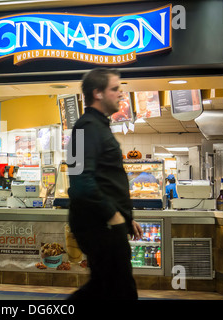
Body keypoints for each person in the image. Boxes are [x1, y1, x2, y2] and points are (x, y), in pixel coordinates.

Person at [67, 68, 143, 300]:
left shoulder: (98, 127)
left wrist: (126, 217)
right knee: (120, 291)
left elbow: (107, 179)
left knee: (104, 288)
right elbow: (79, 181)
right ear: (98, 93)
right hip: (99, 224)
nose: (121, 94)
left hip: (106, 223)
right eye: (115, 89)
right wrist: (113, 215)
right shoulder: (84, 128)